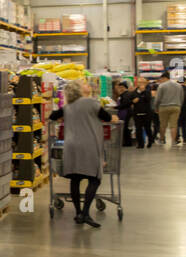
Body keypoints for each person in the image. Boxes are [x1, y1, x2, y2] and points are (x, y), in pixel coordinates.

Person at [49, 79, 110, 228]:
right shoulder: (92, 103)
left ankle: (78, 213)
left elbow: (52, 116)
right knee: (94, 178)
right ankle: (86, 213)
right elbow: (107, 117)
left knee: (75, 179)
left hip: (71, 146)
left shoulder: (67, 107)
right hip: (89, 145)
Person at [153, 71, 184, 147]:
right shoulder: (179, 85)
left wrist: (156, 107)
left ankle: (162, 140)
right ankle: (173, 141)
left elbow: (158, 98)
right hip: (176, 107)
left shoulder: (161, 86)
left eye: (161, 79)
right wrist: (179, 106)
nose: (161, 80)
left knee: (163, 125)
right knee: (173, 125)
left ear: (164, 78)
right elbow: (182, 97)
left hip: (164, 107)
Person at [130, 76, 154, 148]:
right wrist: (132, 101)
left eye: (143, 82)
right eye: (140, 82)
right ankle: (140, 144)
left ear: (146, 84)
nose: (141, 84)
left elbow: (148, 99)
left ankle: (150, 141)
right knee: (138, 129)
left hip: (147, 113)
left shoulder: (147, 92)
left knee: (148, 128)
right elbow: (130, 101)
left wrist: (143, 91)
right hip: (137, 113)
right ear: (137, 83)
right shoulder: (133, 92)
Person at [114, 80, 134, 146]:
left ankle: (128, 143)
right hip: (125, 112)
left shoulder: (126, 94)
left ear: (123, 87)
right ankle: (127, 142)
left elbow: (125, 104)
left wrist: (116, 107)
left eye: (120, 87)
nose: (119, 89)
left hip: (126, 112)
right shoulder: (124, 94)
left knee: (125, 127)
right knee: (125, 127)